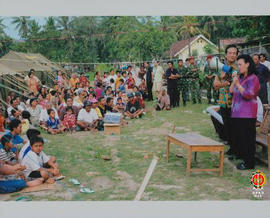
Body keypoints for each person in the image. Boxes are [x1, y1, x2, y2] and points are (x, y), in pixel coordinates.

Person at [229, 54, 260, 170]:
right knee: (241, 138)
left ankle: (249, 163)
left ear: (247, 64)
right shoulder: (241, 78)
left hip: (247, 114)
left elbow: (249, 94)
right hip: (237, 113)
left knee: (248, 139)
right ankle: (244, 159)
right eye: (238, 65)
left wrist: (238, 84)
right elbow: (231, 91)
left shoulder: (253, 78)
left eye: (240, 64)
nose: (238, 67)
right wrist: (234, 81)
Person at [213, 44, 239, 150]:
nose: (232, 55)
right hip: (223, 101)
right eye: (230, 53)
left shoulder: (240, 67)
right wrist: (227, 83)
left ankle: (237, 149)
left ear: (237, 55)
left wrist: (223, 81)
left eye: (234, 53)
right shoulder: (221, 68)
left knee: (236, 127)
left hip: (236, 103)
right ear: (226, 55)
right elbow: (215, 84)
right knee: (227, 126)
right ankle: (232, 148)